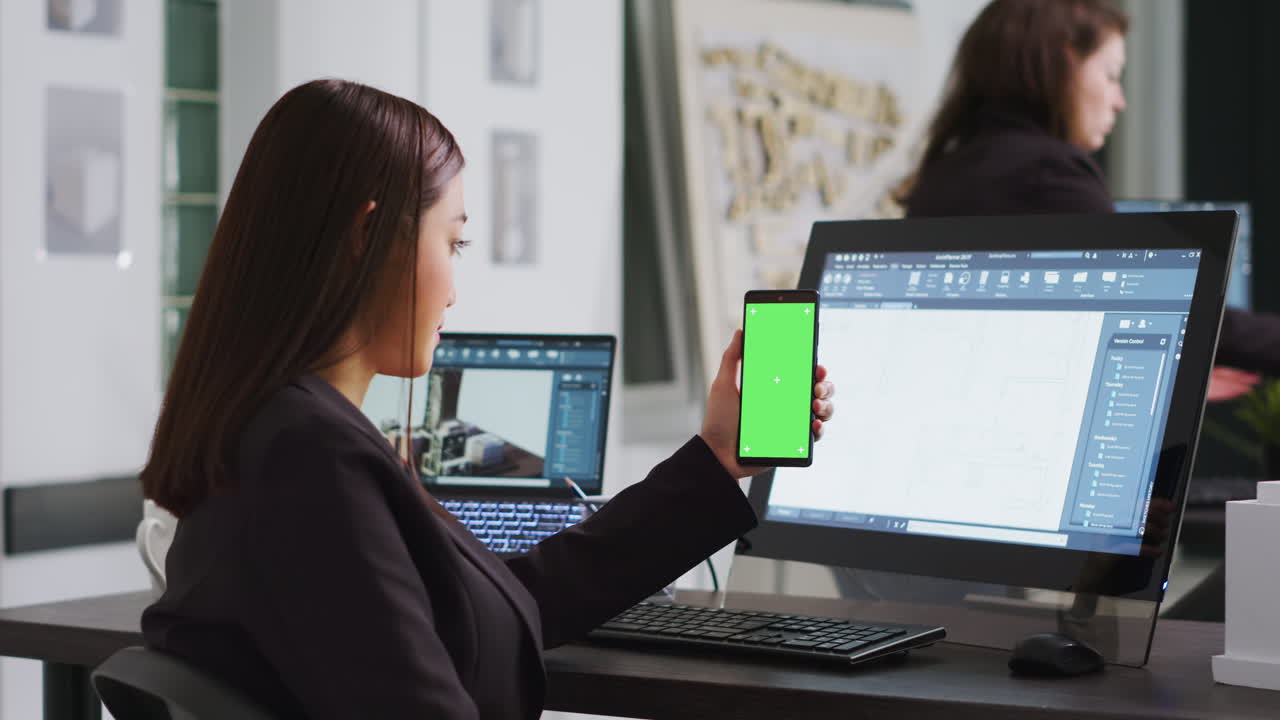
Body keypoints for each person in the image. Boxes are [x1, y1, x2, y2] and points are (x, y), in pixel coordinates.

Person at [139, 79, 836, 719]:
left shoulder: (276, 431)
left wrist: (716, 460)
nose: (453, 288)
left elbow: (512, 599)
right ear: (365, 235)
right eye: (455, 241)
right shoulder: (307, 457)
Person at [903, 0, 1274, 400]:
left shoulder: (944, 173)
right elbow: (1165, 303)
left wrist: (1166, 374)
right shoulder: (1050, 174)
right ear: (1063, 63)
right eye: (1112, 75)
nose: (1120, 100)